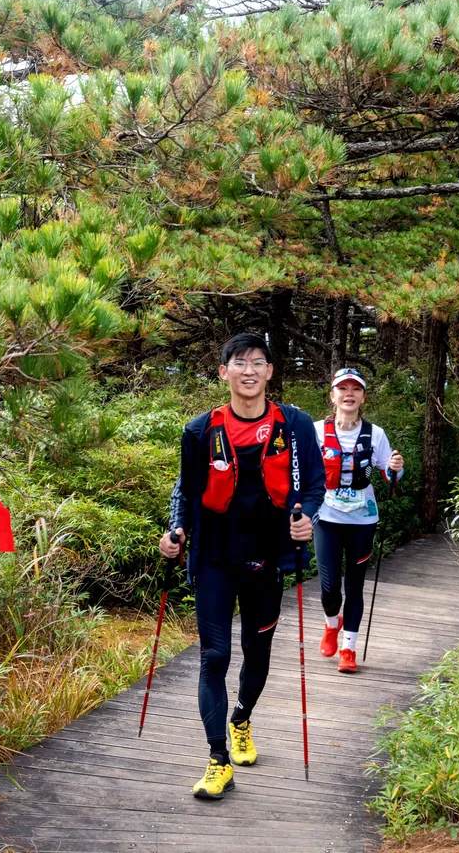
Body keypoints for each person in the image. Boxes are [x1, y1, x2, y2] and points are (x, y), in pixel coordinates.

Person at [159, 333, 325, 800]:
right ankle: (217, 760)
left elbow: (313, 485)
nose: (248, 370)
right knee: (214, 658)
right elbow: (185, 492)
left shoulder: (293, 426)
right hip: (214, 556)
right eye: (238, 362)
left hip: (268, 558)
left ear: (271, 371)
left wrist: (306, 518)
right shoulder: (199, 430)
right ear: (223, 372)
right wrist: (175, 530)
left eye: (258, 362)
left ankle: (242, 717)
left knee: (257, 654)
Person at [313, 367, 404, 674]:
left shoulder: (375, 434)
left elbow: (390, 474)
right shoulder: (316, 431)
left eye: (355, 389)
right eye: (343, 388)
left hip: (363, 519)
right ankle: (331, 624)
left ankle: (348, 649)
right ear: (333, 396)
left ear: (363, 397)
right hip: (325, 516)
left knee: (354, 586)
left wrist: (395, 467)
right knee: (329, 588)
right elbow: (303, 473)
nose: (349, 394)